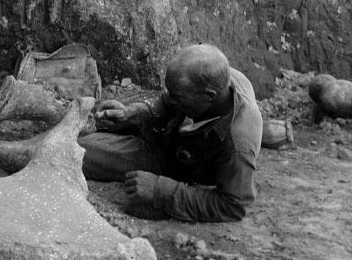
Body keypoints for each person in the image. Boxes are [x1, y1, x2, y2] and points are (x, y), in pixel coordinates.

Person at [79, 44, 263, 222]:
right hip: (172, 129)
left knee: (77, 150)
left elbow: (233, 206)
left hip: (179, 160)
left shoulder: (238, 145)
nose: (172, 99)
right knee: (95, 117)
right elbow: (166, 99)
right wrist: (134, 113)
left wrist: (160, 190)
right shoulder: (215, 76)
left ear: (209, 96)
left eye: (178, 97)